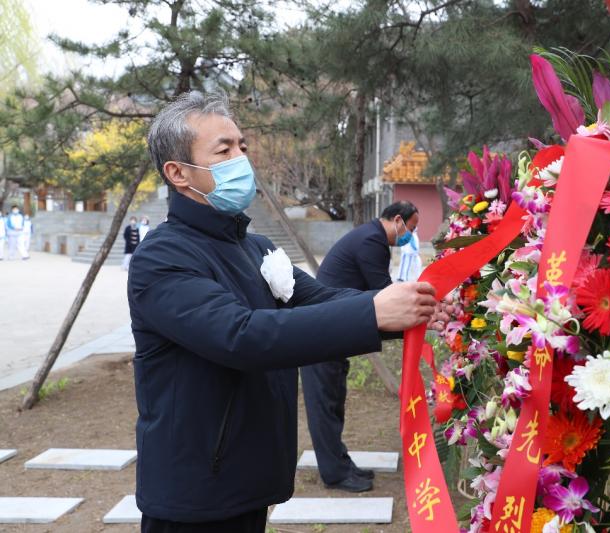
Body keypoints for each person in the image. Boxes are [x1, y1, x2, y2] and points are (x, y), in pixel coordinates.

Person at [128, 91, 446, 533]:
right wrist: (373, 312)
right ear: (178, 172)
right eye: (224, 150)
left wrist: (415, 305)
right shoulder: (161, 258)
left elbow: (320, 299)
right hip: (195, 491)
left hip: (250, 475)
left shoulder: (255, 246)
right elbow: (240, 336)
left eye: (242, 146)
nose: (241, 158)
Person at [300, 200, 419, 493]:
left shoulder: (371, 237)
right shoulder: (372, 241)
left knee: (334, 402)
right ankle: (335, 474)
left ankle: (341, 463)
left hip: (334, 333)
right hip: (321, 334)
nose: (410, 236)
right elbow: (383, 294)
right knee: (324, 407)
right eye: (410, 228)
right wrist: (415, 320)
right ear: (396, 220)